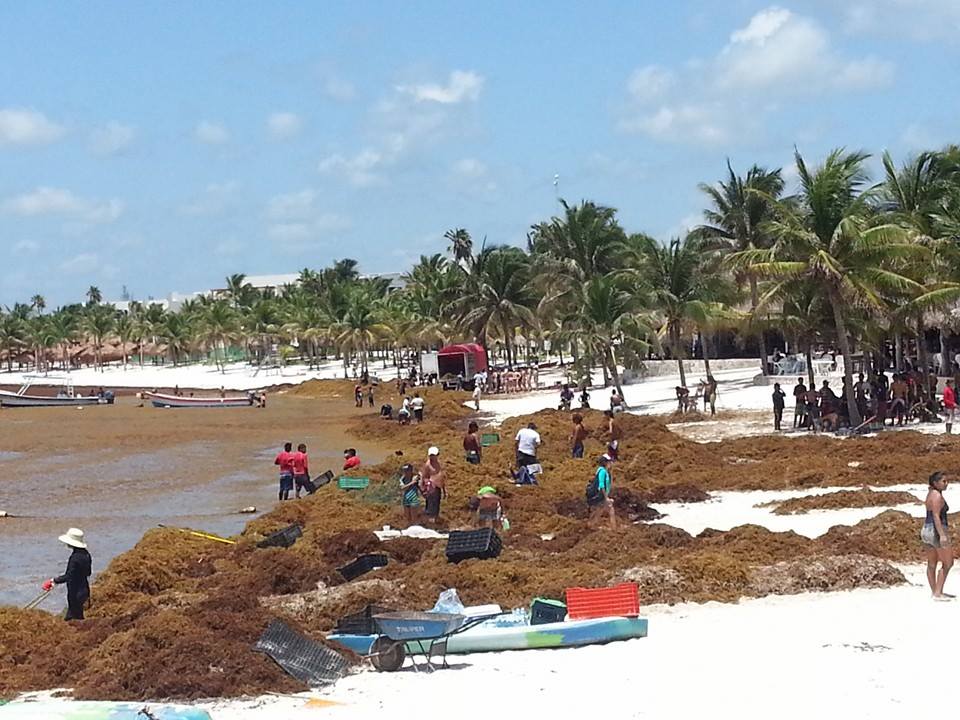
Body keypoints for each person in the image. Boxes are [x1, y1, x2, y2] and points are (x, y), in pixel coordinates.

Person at [42, 528, 91, 621]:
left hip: (76, 593)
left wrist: (53, 581)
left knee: (71, 619)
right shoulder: (86, 554)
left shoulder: (75, 558)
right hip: (84, 590)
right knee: (77, 617)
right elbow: (88, 573)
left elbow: (69, 576)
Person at [921, 471, 953, 600]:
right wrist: (942, 535)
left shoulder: (930, 494)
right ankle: (938, 592)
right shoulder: (937, 496)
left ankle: (935, 591)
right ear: (935, 483)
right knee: (948, 563)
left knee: (932, 563)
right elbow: (936, 516)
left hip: (926, 529)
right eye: (943, 481)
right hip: (936, 530)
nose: (946, 484)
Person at [586, 455, 616, 529]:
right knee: (610, 510)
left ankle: (591, 525)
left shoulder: (604, 471)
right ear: (605, 463)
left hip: (602, 496)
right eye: (609, 462)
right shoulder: (602, 471)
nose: (611, 463)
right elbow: (602, 485)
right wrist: (606, 498)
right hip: (601, 496)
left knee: (598, 511)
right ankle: (614, 529)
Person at [420, 446, 446, 524]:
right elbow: (424, 477)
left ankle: (435, 522)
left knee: (436, 507)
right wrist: (424, 489)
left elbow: (441, 476)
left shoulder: (439, 463)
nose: (432, 457)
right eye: (431, 455)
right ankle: (430, 524)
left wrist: (444, 490)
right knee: (431, 508)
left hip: (438, 488)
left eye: (434, 455)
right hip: (431, 489)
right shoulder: (428, 465)